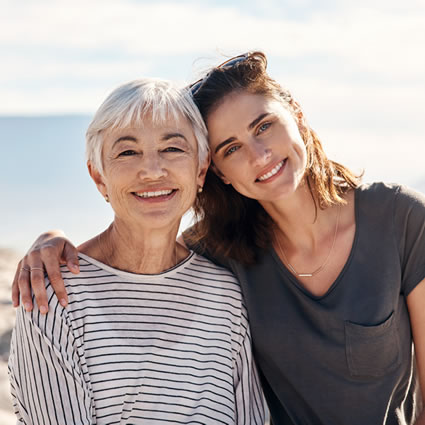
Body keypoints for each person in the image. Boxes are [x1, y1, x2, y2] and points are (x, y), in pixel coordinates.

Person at [12, 52, 425, 424]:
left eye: (264, 125)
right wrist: (50, 241)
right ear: (216, 169)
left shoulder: (399, 219)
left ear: (296, 114)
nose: (259, 154)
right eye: (231, 148)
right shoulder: (225, 255)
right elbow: (140, 245)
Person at [8, 78, 265, 425]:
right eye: (127, 152)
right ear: (99, 178)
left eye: (173, 149)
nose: (152, 170)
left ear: (201, 169)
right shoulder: (53, 294)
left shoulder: (226, 298)